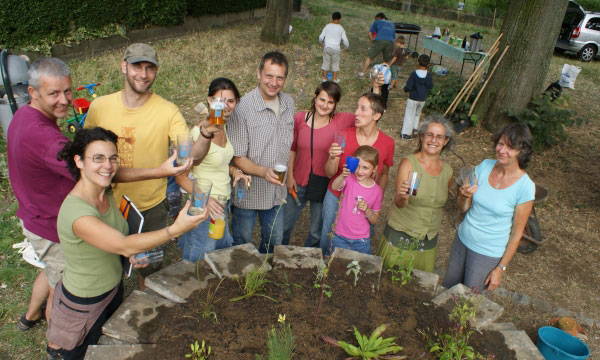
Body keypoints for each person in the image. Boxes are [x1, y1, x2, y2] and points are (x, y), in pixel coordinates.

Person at [5, 58, 186, 358]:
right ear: (32, 91)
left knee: (50, 271)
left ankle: (30, 316)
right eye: (54, 94)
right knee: (62, 295)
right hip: (52, 225)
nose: (64, 100)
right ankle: (60, 346)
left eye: (67, 91)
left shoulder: (24, 117)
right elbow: (104, 173)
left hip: (35, 214)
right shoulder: (47, 140)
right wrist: (159, 172)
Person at [46, 127, 208, 360]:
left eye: (113, 158)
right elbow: (123, 243)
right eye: (98, 158)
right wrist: (176, 229)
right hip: (83, 305)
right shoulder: (77, 213)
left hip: (112, 290)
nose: (108, 165)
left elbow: (112, 244)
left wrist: (127, 258)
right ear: (79, 161)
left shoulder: (105, 190)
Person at [85, 43, 215, 289]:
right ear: (123, 66)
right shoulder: (100, 107)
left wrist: (206, 134)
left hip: (150, 208)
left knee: (149, 265)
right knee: (107, 264)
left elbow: (189, 154)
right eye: (136, 66)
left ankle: (145, 304)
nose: (143, 75)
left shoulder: (167, 111)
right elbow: (86, 154)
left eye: (150, 68)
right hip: (106, 204)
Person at [442, 123, 535, 293]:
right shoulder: (485, 166)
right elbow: (463, 209)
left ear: (522, 152)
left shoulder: (525, 187)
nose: (502, 150)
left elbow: (516, 234)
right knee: (448, 292)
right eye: (500, 144)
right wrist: (464, 196)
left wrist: (500, 268)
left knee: (469, 304)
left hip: (487, 253)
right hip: (462, 240)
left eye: (510, 147)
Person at [176, 78, 250, 262]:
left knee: (216, 258)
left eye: (230, 101)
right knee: (198, 264)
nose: (225, 106)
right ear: (210, 101)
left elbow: (219, 162)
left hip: (222, 206)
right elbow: (180, 176)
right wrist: (205, 200)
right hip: (204, 209)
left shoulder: (224, 128)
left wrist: (235, 172)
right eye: (219, 100)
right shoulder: (199, 133)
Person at [228, 51, 294, 253]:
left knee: (274, 239)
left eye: (279, 77)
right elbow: (238, 157)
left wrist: (289, 175)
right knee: (243, 241)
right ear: (259, 74)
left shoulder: (288, 103)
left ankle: (265, 277)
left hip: (276, 192)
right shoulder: (243, 108)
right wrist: (264, 172)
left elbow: (287, 145)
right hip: (248, 192)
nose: (273, 82)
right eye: (269, 76)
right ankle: (243, 280)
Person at [320, 91, 395, 255]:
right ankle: (325, 269)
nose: (356, 112)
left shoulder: (387, 143)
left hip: (364, 200)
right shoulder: (343, 136)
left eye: (362, 109)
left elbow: (384, 174)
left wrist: (376, 197)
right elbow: (329, 173)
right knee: (329, 235)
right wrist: (333, 157)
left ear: (376, 115)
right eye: (356, 108)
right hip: (336, 195)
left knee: (359, 240)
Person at [377, 116, 454, 272]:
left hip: (428, 239)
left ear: (446, 141)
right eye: (429, 134)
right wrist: (402, 197)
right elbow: (399, 203)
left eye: (439, 137)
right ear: (421, 136)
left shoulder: (448, 171)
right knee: (390, 282)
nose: (434, 140)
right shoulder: (409, 163)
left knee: (417, 287)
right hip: (402, 234)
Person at [282, 81, 355, 248]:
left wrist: (378, 87)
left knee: (316, 231)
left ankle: (309, 262)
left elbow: (366, 116)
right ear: (315, 97)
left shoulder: (340, 121)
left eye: (330, 102)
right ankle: (277, 255)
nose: (325, 105)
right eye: (322, 100)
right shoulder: (301, 118)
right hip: (297, 181)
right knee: (284, 224)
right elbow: (292, 148)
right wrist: (290, 176)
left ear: (335, 104)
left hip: (322, 184)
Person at [330, 146, 382, 254]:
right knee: (336, 266)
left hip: (361, 240)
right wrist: (342, 176)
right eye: (357, 166)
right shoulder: (349, 178)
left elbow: (374, 220)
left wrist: (367, 210)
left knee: (359, 268)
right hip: (340, 236)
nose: (360, 171)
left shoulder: (377, 191)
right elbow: (334, 187)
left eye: (365, 168)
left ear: (375, 168)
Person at [401, 54, 434, 139]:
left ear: (418, 62)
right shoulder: (429, 75)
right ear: (428, 64)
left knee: (409, 115)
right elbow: (431, 86)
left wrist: (405, 89)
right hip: (422, 99)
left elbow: (409, 86)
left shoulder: (414, 74)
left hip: (413, 98)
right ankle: (415, 129)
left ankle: (406, 134)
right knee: (417, 114)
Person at [358, 12, 396, 78]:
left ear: (378, 17)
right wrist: (393, 49)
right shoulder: (392, 24)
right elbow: (394, 39)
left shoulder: (377, 22)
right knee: (386, 60)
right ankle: (385, 75)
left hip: (379, 40)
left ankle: (362, 73)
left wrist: (372, 41)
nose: (375, 20)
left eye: (376, 19)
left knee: (369, 57)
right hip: (390, 42)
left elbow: (369, 34)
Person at [319, 11, 349, 82]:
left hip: (327, 48)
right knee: (335, 63)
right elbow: (345, 40)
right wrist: (346, 47)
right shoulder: (340, 28)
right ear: (339, 19)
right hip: (336, 49)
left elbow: (321, 37)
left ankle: (324, 78)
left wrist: (321, 43)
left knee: (326, 62)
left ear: (332, 18)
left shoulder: (327, 26)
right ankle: (335, 79)